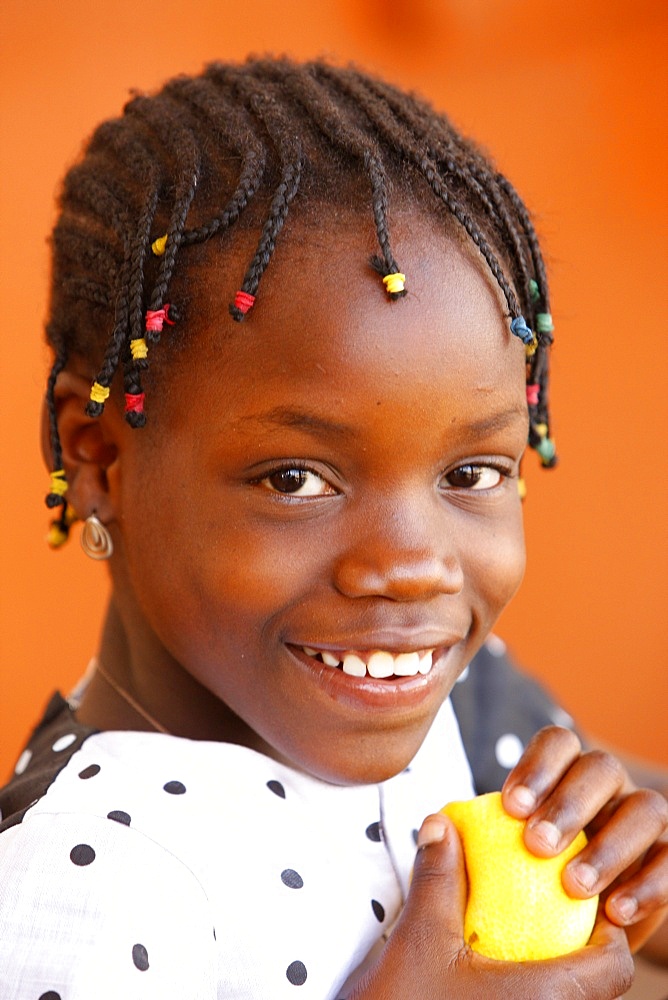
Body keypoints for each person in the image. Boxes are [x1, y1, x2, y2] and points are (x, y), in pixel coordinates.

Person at [0, 57, 665, 999]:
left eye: (472, 472)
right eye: (297, 478)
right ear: (100, 461)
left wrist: (640, 882)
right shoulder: (78, 889)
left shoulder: (464, 714)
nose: (412, 569)